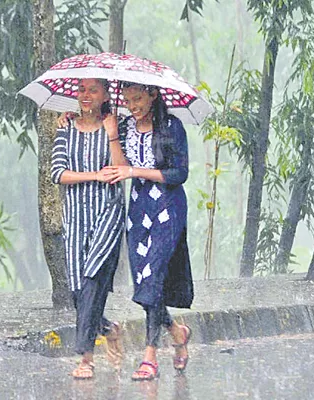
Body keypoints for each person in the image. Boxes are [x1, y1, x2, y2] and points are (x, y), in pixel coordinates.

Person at [110, 82, 194, 381]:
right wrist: (107, 129)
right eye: (127, 99)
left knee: (155, 275)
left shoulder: (172, 126)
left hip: (168, 208)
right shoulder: (123, 126)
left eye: (138, 99)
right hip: (137, 209)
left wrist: (135, 172)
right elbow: (117, 165)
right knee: (144, 279)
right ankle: (177, 331)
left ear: (153, 94)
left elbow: (179, 174)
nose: (132, 105)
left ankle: (150, 355)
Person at [50, 78, 127, 379]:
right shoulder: (65, 127)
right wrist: (95, 175)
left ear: (106, 94)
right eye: (81, 89)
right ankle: (109, 328)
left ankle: (86, 358)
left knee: (93, 277)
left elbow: (121, 170)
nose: (85, 95)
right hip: (75, 215)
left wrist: (112, 136)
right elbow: (58, 173)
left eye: (93, 90)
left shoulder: (116, 125)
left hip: (108, 211)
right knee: (77, 290)